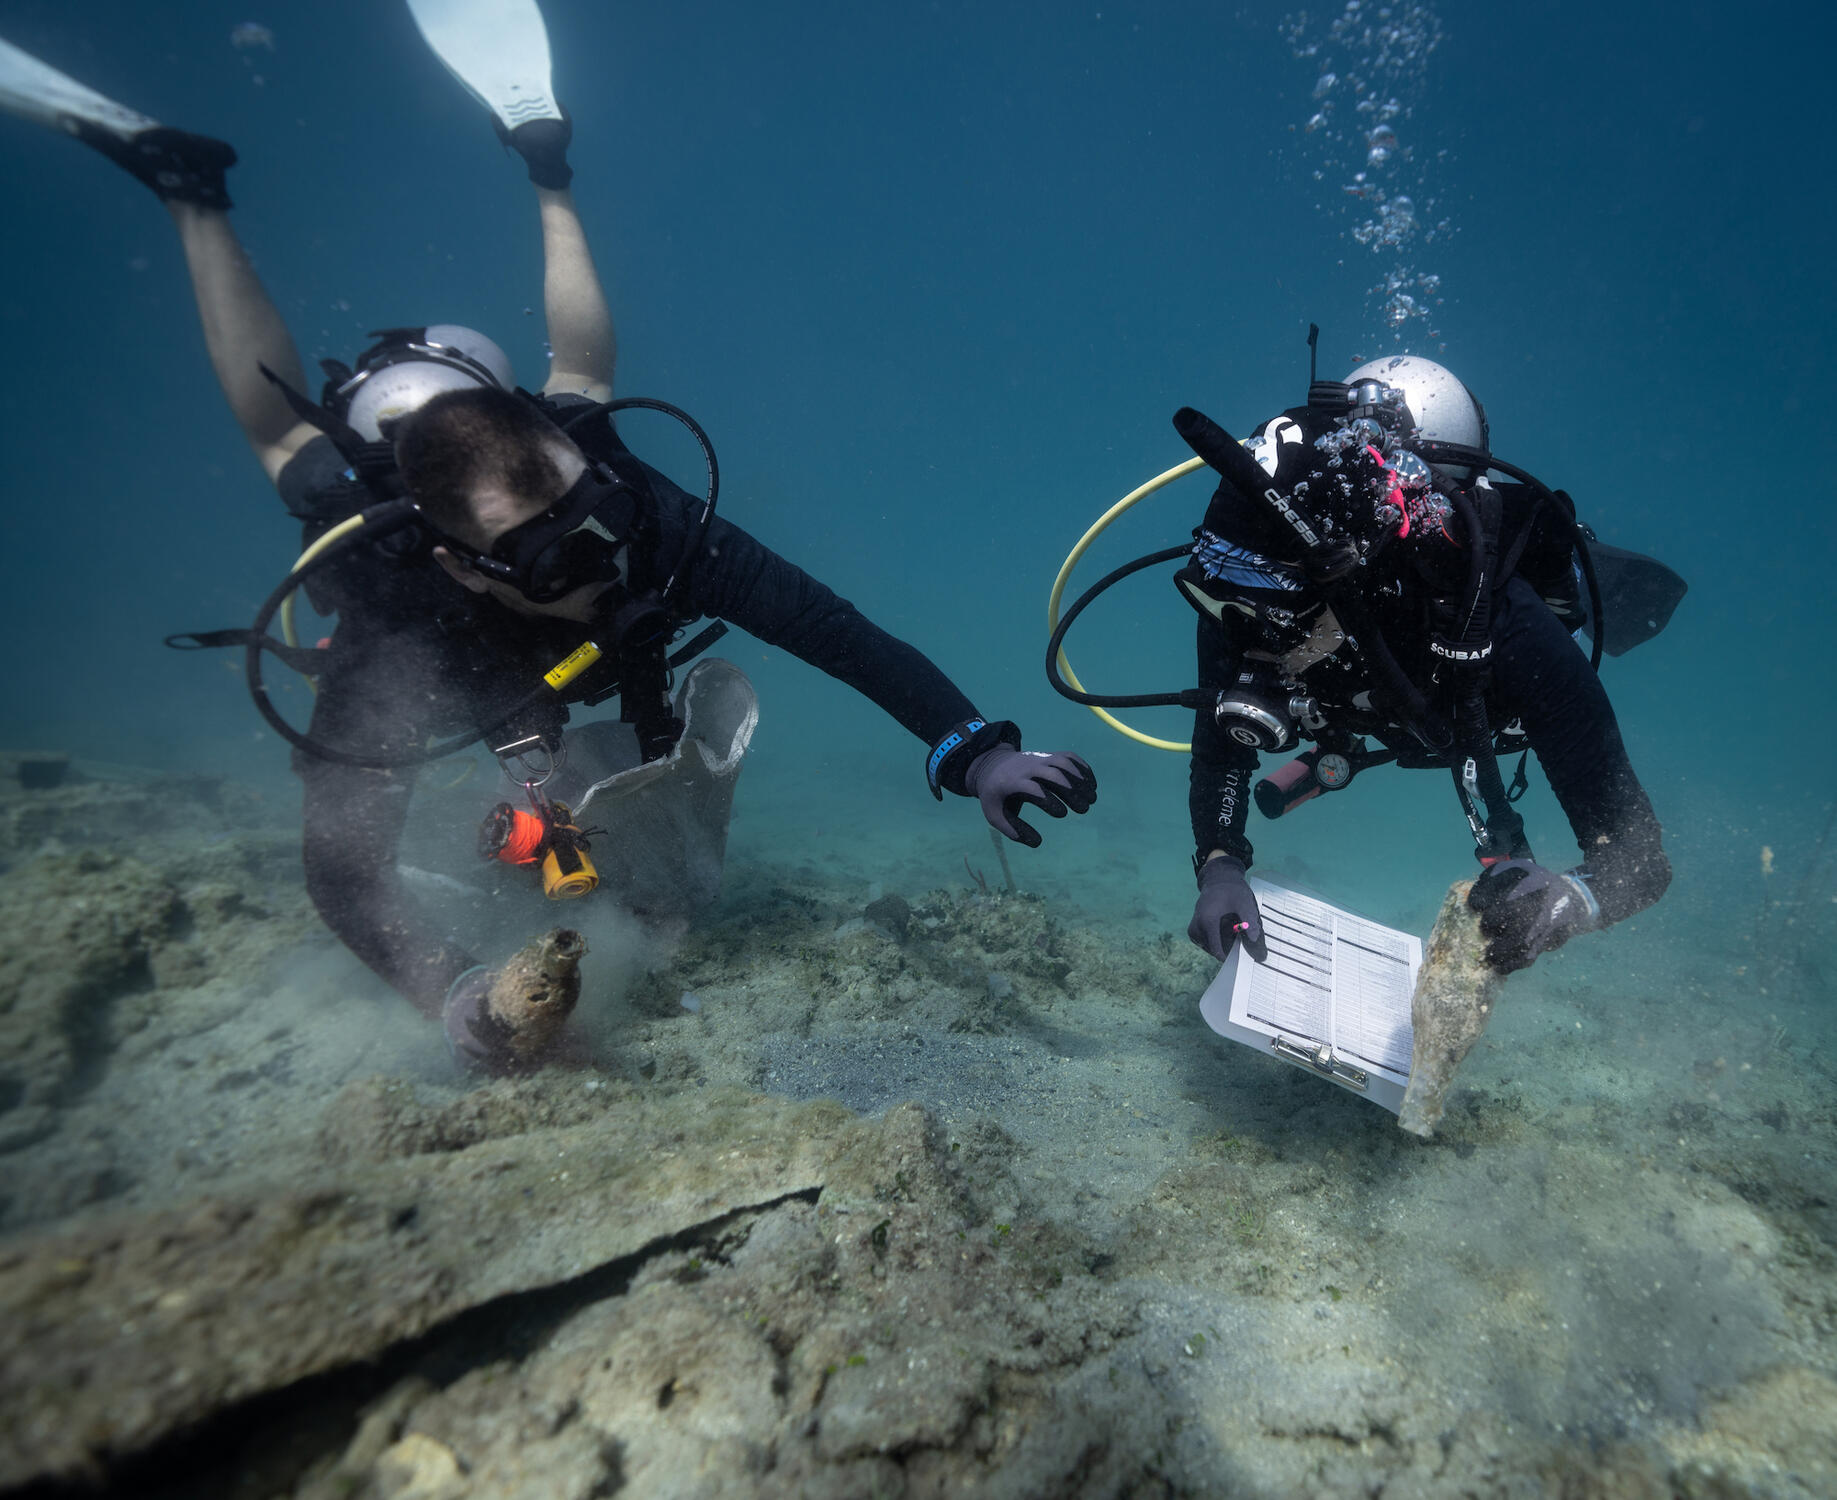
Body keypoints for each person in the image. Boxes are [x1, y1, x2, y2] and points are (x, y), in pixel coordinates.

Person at [5, 26, 1097, 1067]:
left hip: (547, 424)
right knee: (287, 438)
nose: (604, 569)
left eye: (599, 523)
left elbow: (835, 634)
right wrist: (453, 995)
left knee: (583, 388)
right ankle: (189, 193)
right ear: (464, 566)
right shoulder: (396, 610)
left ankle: (547, 165)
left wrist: (974, 748)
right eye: (549, 560)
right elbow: (345, 879)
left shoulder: (641, 511)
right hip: (392, 478)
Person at [1172, 355, 1673, 976]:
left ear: (1359, 585)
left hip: (1455, 700)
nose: (1250, 638)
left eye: (1284, 612)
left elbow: (1639, 860)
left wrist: (1573, 901)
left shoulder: (1507, 626)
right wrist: (1219, 866)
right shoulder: (1249, 594)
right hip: (1384, 706)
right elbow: (1220, 751)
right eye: (1232, 603)